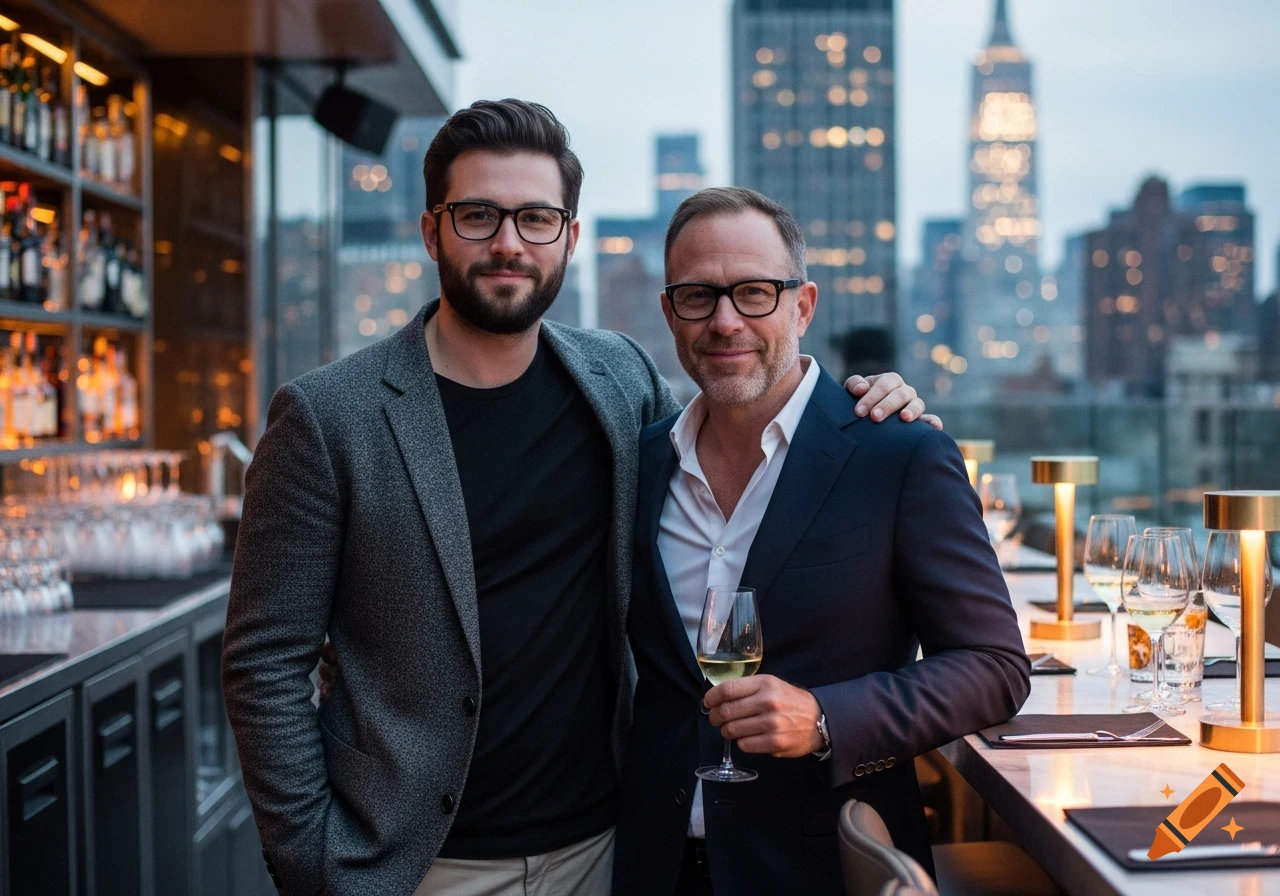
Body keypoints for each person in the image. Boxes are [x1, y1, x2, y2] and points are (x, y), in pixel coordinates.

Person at [222, 99, 932, 896]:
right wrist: (314, 860)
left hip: (606, 850)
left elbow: (746, 405)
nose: (507, 243)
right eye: (478, 215)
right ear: (431, 232)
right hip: (415, 865)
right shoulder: (328, 417)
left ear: (569, 238)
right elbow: (262, 662)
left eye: (535, 218)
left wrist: (874, 404)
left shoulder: (619, 379)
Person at [613, 187, 1030, 896]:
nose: (724, 320)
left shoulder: (899, 457)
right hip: (651, 867)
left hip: (825, 869)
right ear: (669, 311)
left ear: (802, 306)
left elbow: (994, 667)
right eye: (698, 296)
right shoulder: (640, 462)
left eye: (754, 293)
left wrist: (826, 719)